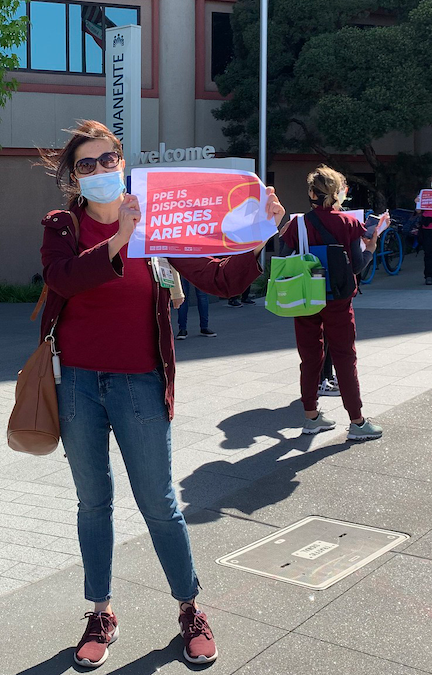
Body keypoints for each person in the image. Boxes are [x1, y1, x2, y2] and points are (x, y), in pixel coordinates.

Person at [37, 120, 282, 669]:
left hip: (141, 381)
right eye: (87, 164)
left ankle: (190, 607)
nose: (101, 170)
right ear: (73, 179)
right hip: (76, 381)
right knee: (93, 503)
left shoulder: (158, 214)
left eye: (108, 160)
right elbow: (63, 280)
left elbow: (223, 281)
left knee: (159, 503)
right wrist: (122, 240)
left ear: (122, 162)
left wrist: (258, 234)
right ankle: (100, 611)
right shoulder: (62, 224)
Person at [281, 166, 382, 441]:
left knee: (310, 357)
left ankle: (311, 416)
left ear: (311, 193)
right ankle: (357, 422)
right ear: (336, 193)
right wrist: (371, 249)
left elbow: (284, 258)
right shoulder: (349, 223)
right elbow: (357, 265)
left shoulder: (297, 224)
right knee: (344, 357)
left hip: (305, 297)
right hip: (337, 299)